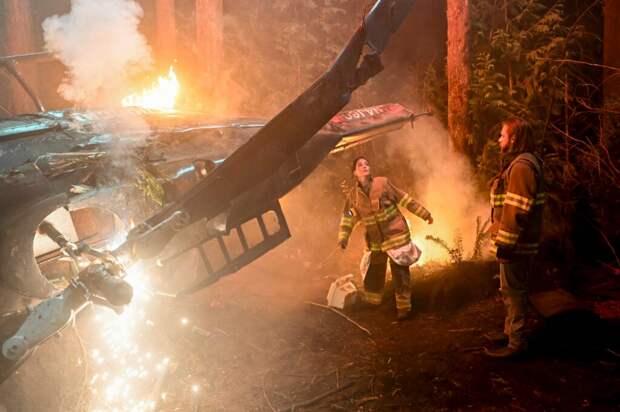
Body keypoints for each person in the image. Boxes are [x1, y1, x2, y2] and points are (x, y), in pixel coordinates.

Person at [337, 156, 433, 320]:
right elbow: (347, 217)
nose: (365, 166)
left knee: (400, 273)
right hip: (376, 243)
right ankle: (373, 302)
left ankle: (404, 308)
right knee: (374, 272)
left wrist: (425, 214)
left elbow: (404, 199)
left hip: (396, 237)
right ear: (354, 172)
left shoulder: (383, 184)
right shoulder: (353, 196)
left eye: (367, 163)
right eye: (360, 165)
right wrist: (343, 238)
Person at [485, 119, 546, 358]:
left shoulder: (522, 167)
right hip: (514, 241)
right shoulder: (520, 164)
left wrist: (506, 244)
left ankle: (516, 343)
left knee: (514, 292)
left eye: (503, 135)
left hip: (516, 243)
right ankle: (510, 331)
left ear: (515, 139)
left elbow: (516, 209)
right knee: (509, 289)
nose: (499, 139)